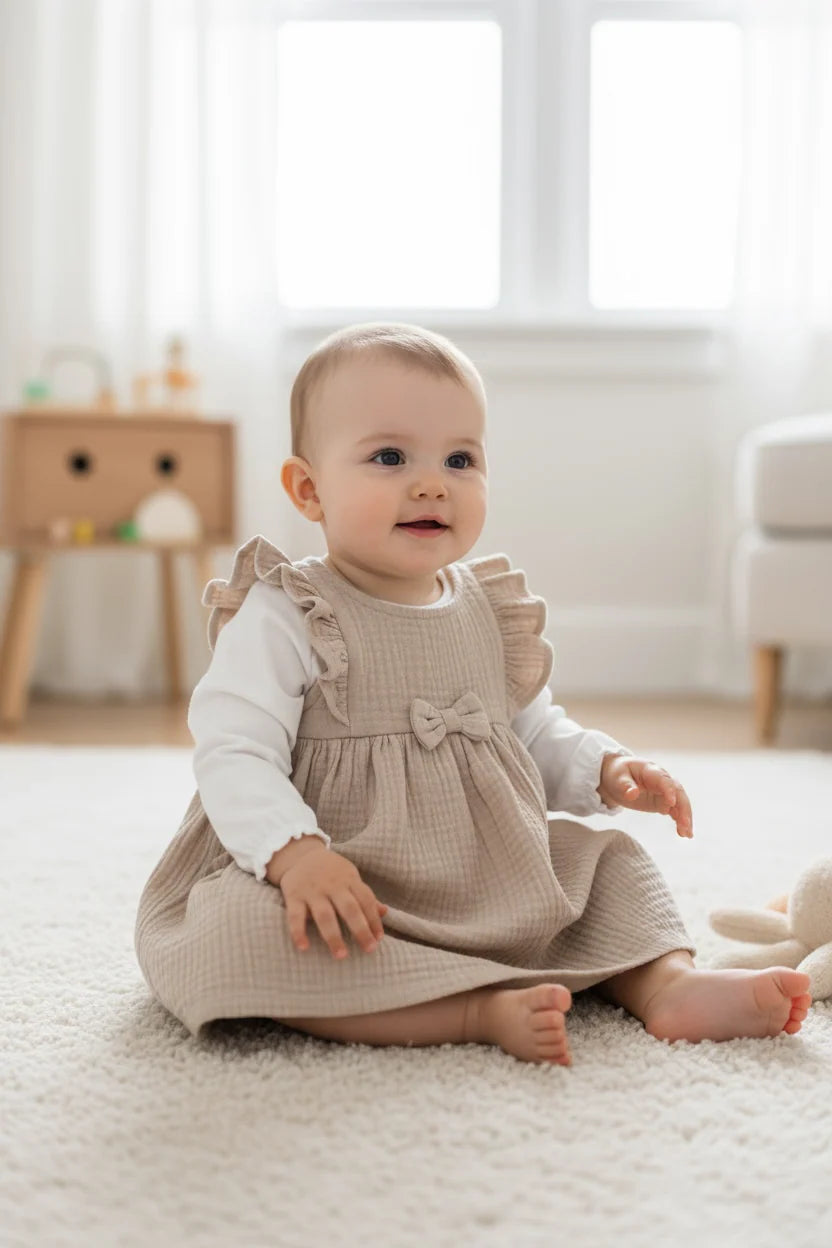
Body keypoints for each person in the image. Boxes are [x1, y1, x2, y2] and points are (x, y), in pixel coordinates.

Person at [134, 322, 811, 1065]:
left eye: (461, 459)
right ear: (308, 489)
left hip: (491, 874)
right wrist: (296, 858)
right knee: (238, 933)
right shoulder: (289, 610)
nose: (431, 483)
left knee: (608, 864)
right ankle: (472, 1009)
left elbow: (531, 732)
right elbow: (235, 752)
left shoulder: (484, 607)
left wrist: (606, 771)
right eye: (389, 457)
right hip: (351, 886)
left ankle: (667, 986)